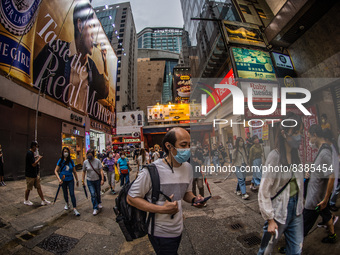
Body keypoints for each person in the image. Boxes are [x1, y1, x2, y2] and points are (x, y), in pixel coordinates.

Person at [127, 127, 206, 255]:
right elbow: (131, 198)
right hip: (160, 233)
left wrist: (194, 199)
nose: (187, 149)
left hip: (179, 229)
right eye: (183, 145)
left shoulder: (188, 168)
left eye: (189, 145)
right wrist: (162, 209)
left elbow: (186, 192)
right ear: (169, 146)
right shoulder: (152, 171)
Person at [33, 2, 109, 113]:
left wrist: (105, 60)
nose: (94, 36)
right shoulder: (55, 48)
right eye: (91, 27)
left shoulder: (91, 66)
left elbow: (104, 92)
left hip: (83, 123)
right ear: (80, 25)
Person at [257, 113, 304, 255]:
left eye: (300, 132)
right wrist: (270, 219)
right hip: (278, 211)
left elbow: (297, 183)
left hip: (297, 210)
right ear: (284, 133)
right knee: (266, 251)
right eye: (295, 132)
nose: (299, 136)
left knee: (296, 251)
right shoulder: (274, 157)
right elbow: (263, 191)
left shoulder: (297, 155)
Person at [304, 124, 337, 243]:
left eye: (309, 138)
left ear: (315, 135)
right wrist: (310, 172)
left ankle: (292, 247)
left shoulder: (325, 153)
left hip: (315, 199)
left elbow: (331, 175)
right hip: (319, 196)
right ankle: (332, 235)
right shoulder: (322, 150)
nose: (309, 141)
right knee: (326, 214)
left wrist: (326, 198)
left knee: (303, 226)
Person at [54, 147, 80, 216]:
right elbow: (56, 171)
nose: (66, 153)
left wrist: (77, 180)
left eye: (67, 151)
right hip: (63, 180)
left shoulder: (71, 161)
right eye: (64, 151)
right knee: (65, 193)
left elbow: (74, 171)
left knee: (72, 193)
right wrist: (59, 179)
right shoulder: (60, 160)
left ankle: (74, 208)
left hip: (70, 179)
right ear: (62, 153)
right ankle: (67, 203)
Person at [24, 141, 51, 206]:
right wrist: (39, 159)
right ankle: (26, 200)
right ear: (33, 146)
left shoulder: (32, 153)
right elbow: (33, 164)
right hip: (30, 175)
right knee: (29, 188)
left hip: (34, 174)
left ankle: (43, 200)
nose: (37, 148)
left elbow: (32, 161)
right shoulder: (29, 153)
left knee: (39, 187)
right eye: (36, 146)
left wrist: (35, 157)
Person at [82, 149, 104, 216]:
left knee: (97, 192)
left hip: (97, 180)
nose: (89, 156)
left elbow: (101, 170)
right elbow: (83, 171)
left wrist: (102, 179)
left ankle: (99, 202)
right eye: (88, 155)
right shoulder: (85, 162)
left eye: (90, 155)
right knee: (93, 194)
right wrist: (82, 180)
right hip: (89, 180)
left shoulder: (97, 161)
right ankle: (95, 208)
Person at [323, 129, 340, 212]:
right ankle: (330, 204)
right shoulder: (327, 147)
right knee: (332, 187)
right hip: (332, 171)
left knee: (334, 186)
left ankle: (330, 203)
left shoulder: (332, 144)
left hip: (335, 169)